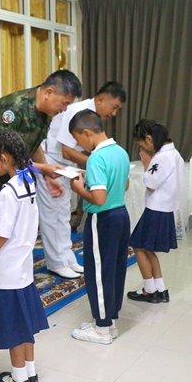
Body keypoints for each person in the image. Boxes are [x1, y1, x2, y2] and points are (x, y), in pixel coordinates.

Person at [0, 70, 83, 252]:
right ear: (49, 92)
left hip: (9, 171)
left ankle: (4, 270)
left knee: (11, 224)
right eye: (64, 103)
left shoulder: (45, 111)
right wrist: (42, 168)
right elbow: (2, 153)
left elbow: (33, 144)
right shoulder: (14, 108)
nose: (65, 109)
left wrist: (46, 174)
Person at [0, 129, 49, 382]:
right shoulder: (28, 180)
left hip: (7, 270)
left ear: (5, 157)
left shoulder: (8, 192)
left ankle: (18, 380)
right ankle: (30, 373)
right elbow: (15, 219)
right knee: (26, 324)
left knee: (15, 328)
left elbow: (3, 234)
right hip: (23, 266)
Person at [39, 81, 127, 279]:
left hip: (66, 167)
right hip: (51, 163)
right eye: (114, 107)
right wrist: (98, 165)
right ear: (101, 98)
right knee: (53, 215)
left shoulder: (91, 116)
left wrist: (97, 164)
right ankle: (56, 262)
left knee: (62, 214)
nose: (114, 113)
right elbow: (66, 150)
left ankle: (66, 257)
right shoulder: (78, 111)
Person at [69, 110, 130, 344]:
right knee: (115, 268)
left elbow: (99, 198)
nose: (79, 145)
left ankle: (102, 329)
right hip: (121, 215)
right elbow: (123, 185)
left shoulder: (96, 158)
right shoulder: (120, 152)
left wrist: (79, 188)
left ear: (87, 133)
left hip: (102, 219)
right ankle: (109, 321)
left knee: (98, 272)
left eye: (78, 139)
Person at [127, 120, 183, 304]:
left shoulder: (161, 158)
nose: (142, 148)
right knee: (148, 248)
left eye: (142, 144)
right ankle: (160, 289)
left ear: (149, 139)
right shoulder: (175, 154)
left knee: (137, 245)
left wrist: (146, 163)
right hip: (164, 208)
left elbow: (150, 184)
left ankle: (150, 290)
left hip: (156, 209)